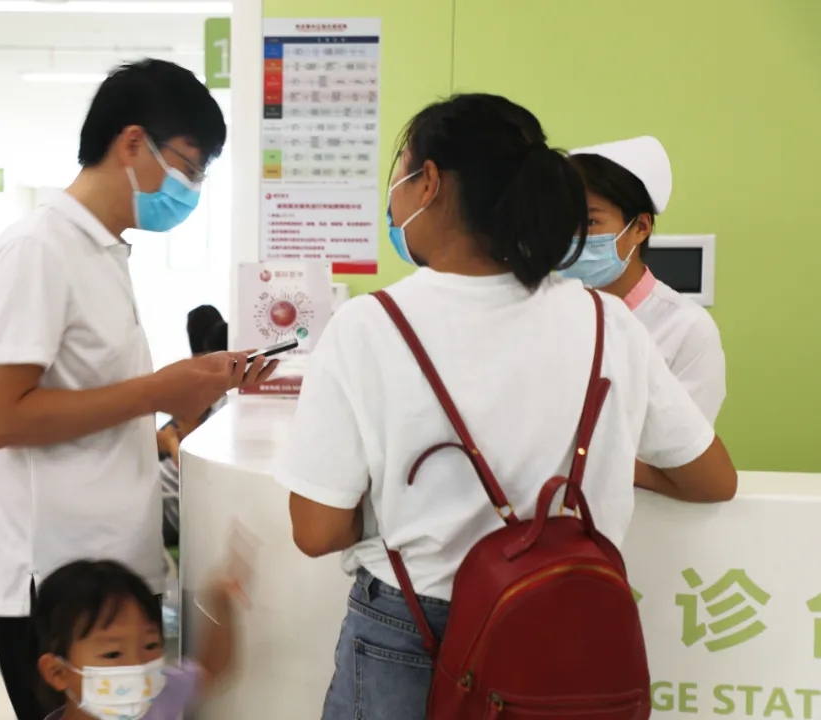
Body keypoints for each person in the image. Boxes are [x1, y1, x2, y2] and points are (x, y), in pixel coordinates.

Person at [272, 94, 737, 718]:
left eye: (399, 174)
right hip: (563, 629)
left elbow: (316, 530)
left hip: (410, 634)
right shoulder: (608, 322)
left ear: (429, 182)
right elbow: (713, 479)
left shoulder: (368, 325)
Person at [0, 59, 276, 720]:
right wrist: (156, 393)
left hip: (113, 566)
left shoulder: (102, 252)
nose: (191, 189)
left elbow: (100, 395)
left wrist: (190, 388)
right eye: (189, 167)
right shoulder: (37, 251)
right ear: (133, 143)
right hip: (59, 585)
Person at [560, 136, 726, 423]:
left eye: (590, 222)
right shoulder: (546, 315)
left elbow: (686, 446)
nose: (574, 237)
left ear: (640, 227)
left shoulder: (686, 329)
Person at [34, 559, 239, 720]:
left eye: (150, 645)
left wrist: (220, 603)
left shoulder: (159, 697)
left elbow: (211, 669)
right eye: (113, 653)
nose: (138, 665)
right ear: (58, 672)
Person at [158, 307, 229, 546]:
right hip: (168, 485)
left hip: (170, 500)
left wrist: (170, 441)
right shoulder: (220, 400)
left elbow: (194, 466)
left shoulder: (224, 406)